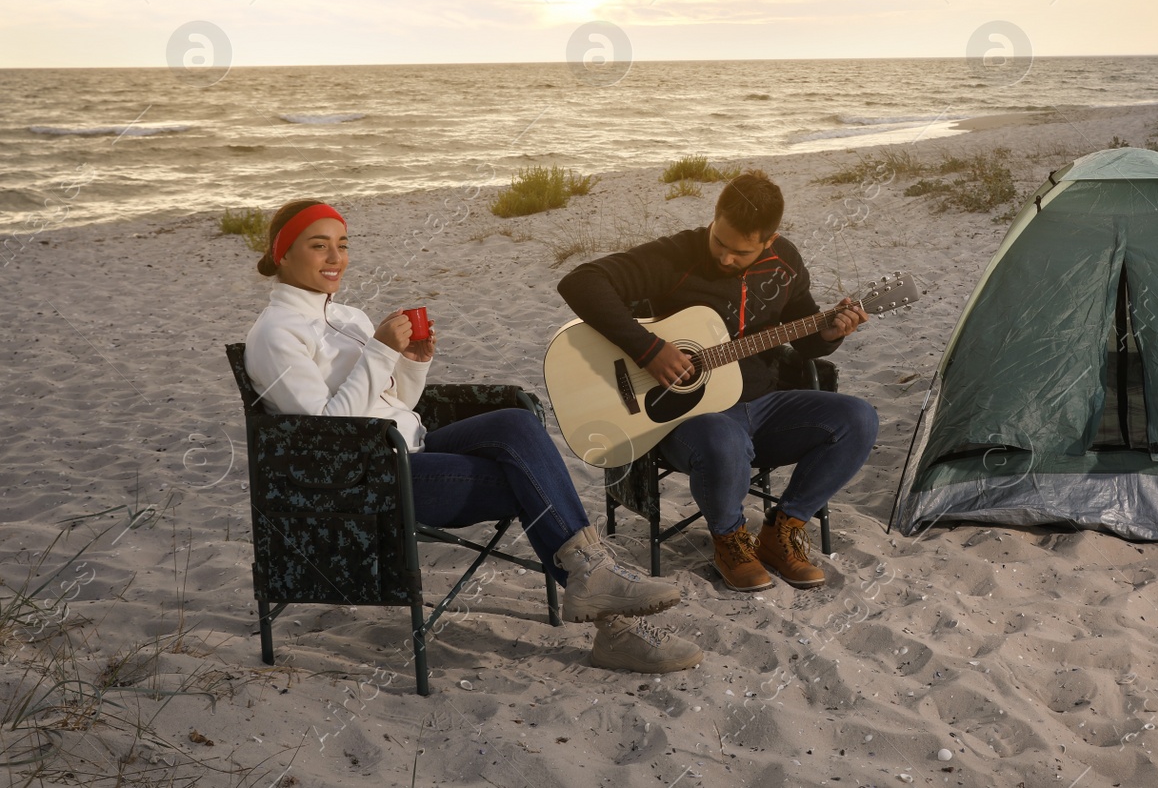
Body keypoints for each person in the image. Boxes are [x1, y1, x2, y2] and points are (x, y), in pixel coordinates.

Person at [242, 199, 702, 673]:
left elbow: (395, 401)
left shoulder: (350, 317)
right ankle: (614, 619)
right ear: (282, 254)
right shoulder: (276, 334)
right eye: (319, 247)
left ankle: (594, 574)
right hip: (368, 481)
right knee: (531, 482)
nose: (335, 258)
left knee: (516, 424)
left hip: (410, 448)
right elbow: (327, 435)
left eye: (341, 245)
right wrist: (380, 351)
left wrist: (412, 362)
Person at [557, 171, 878, 592]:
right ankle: (730, 539)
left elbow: (803, 336)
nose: (725, 258)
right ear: (715, 216)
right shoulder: (677, 255)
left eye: (739, 252)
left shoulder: (785, 263)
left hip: (764, 407)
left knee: (859, 418)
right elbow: (580, 282)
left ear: (769, 239)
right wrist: (649, 350)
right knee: (723, 440)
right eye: (719, 242)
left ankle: (782, 531)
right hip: (689, 420)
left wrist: (828, 335)